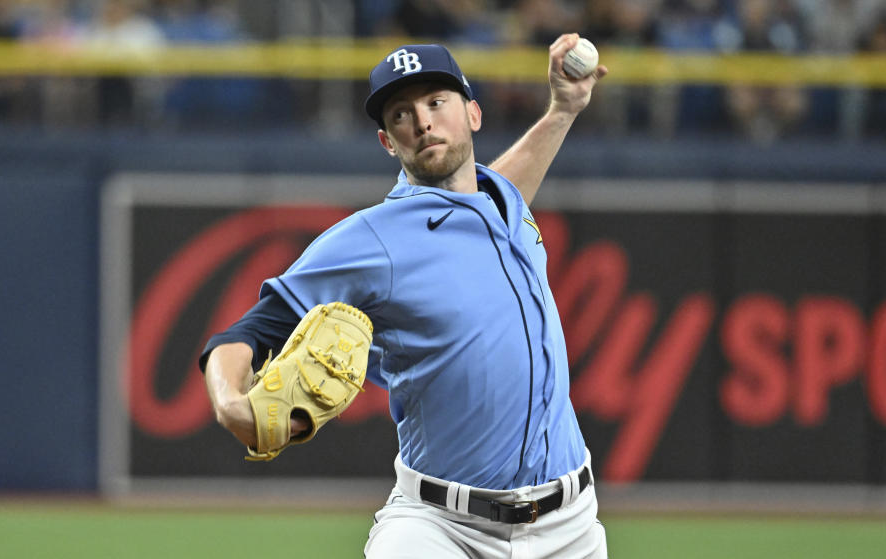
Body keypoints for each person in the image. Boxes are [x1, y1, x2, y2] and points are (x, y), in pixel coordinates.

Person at [201, 34, 608, 558]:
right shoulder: (374, 238)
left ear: (474, 115)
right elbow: (247, 332)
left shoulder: (501, 200)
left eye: (436, 103)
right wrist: (231, 403)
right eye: (401, 114)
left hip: (569, 526)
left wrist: (562, 111)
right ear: (388, 142)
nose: (422, 122)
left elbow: (491, 196)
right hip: (440, 526)